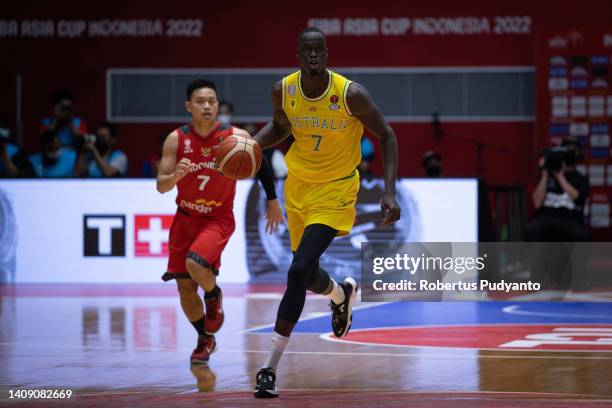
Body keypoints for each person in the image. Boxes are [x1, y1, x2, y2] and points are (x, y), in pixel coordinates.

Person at [251, 27, 401, 398]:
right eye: (308, 50)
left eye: (320, 50)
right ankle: (339, 294)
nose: (314, 56)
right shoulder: (283, 90)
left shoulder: (351, 94)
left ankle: (269, 367)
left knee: (298, 269)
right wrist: (252, 143)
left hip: (337, 189)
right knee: (308, 270)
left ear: (327, 54)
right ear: (298, 56)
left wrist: (389, 192)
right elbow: (282, 127)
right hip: (298, 187)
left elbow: (387, 135)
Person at [156, 79, 284, 364]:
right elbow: (161, 185)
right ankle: (205, 338)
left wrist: (273, 200)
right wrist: (175, 176)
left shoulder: (234, 137)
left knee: (195, 264)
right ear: (189, 105)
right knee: (185, 288)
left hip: (217, 218)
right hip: (185, 219)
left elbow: (260, 161)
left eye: (212, 101)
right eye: (200, 101)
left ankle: (213, 294)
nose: (207, 106)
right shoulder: (176, 139)